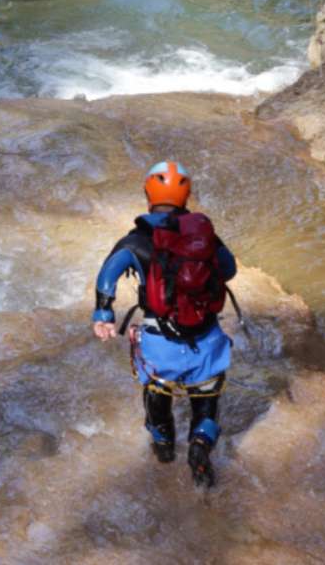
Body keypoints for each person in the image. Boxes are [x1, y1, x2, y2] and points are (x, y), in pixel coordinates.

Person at [91, 161, 236, 488]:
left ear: (148, 196)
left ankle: (164, 449)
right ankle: (200, 443)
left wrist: (103, 314)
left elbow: (107, 275)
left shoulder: (136, 241)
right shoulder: (204, 236)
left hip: (160, 344)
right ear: (187, 196)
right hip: (206, 340)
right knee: (206, 399)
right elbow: (228, 270)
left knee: (156, 393)